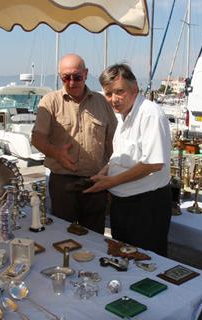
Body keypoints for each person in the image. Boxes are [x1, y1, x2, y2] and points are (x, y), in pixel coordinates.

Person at [84, 64, 172, 256]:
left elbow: (153, 163)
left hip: (146, 206)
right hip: (123, 204)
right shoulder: (123, 116)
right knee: (123, 258)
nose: (114, 99)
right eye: (108, 94)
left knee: (146, 261)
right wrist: (103, 173)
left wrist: (111, 181)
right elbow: (120, 155)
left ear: (134, 89)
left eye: (119, 92)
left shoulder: (150, 114)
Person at [31, 53, 117, 234]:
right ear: (60, 76)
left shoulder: (102, 102)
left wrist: (111, 177)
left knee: (95, 237)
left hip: (96, 182)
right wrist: (56, 153)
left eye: (77, 77)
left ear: (86, 74)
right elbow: (37, 138)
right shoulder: (50, 102)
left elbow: (112, 142)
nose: (71, 82)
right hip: (63, 183)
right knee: (62, 235)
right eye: (66, 77)